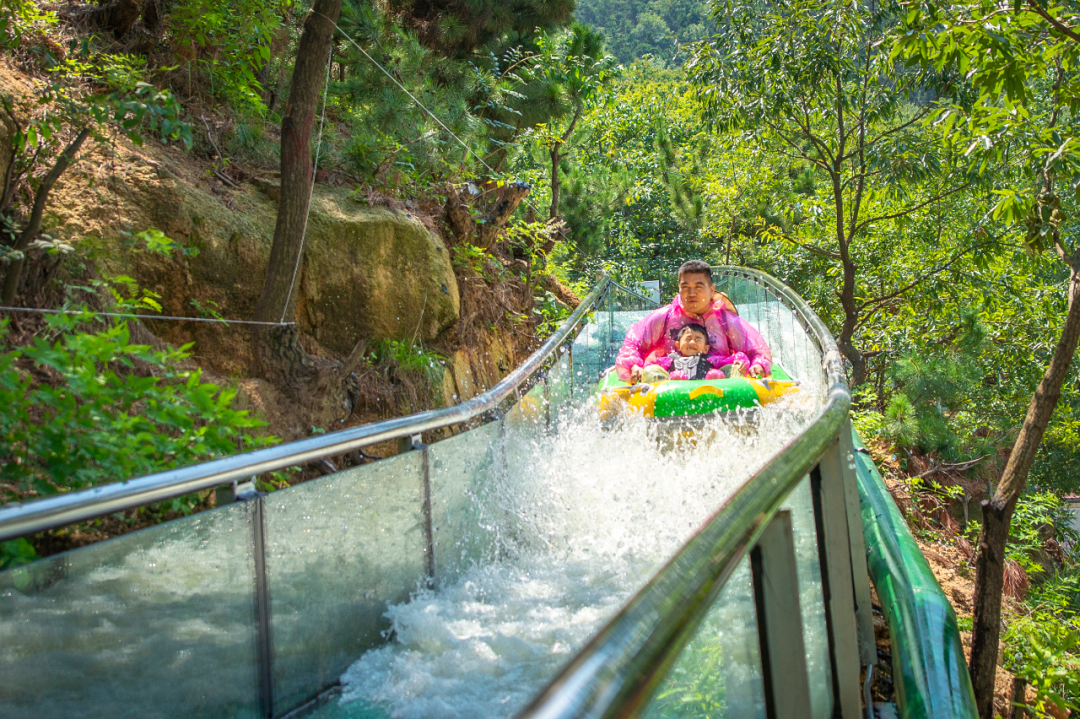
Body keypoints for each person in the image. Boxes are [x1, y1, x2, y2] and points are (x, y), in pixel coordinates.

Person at [616, 260, 772, 384]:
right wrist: (634, 365)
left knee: (733, 369)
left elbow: (756, 351)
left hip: (718, 384)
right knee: (650, 372)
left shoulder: (726, 321)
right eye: (685, 287)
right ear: (679, 289)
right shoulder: (665, 317)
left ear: (711, 290)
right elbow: (633, 342)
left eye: (698, 287)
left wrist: (757, 364)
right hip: (671, 386)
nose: (691, 293)